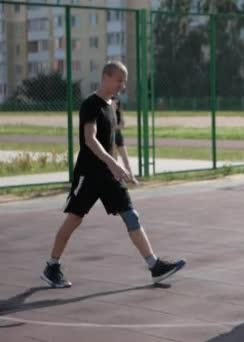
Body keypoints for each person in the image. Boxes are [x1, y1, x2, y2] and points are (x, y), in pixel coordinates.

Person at [40, 61, 185, 288]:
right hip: (89, 175)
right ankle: (52, 265)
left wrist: (123, 166)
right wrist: (113, 164)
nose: (122, 85)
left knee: (131, 216)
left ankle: (154, 266)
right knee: (74, 219)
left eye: (124, 81)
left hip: (109, 175)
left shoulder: (113, 105)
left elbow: (114, 141)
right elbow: (90, 139)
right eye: (119, 80)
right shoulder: (91, 105)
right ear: (106, 77)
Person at [111, 96, 137, 184]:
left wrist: (117, 126)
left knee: (125, 158)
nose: (116, 105)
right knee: (115, 159)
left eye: (117, 103)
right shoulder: (108, 113)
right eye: (114, 103)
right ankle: (118, 179)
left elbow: (122, 124)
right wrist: (113, 111)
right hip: (111, 138)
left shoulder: (119, 112)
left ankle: (131, 177)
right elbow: (111, 126)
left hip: (119, 136)